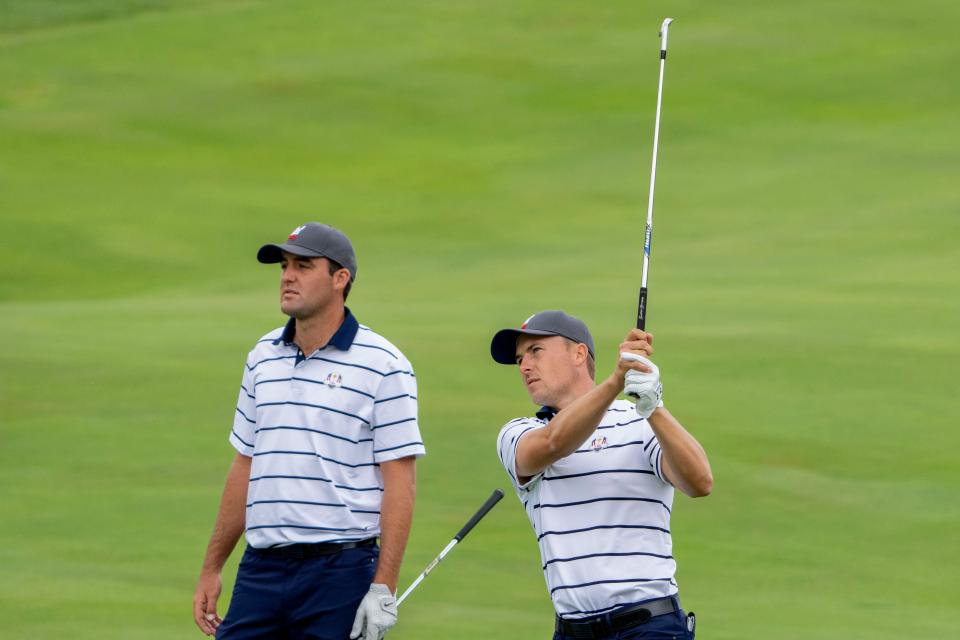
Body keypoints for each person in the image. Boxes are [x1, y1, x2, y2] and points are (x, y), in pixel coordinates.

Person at [193, 222, 425, 640]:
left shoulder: (385, 365)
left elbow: (400, 481)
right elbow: (245, 464)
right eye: (284, 266)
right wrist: (213, 566)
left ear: (340, 279)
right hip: (260, 568)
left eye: (303, 265)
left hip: (340, 573)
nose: (287, 276)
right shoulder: (263, 357)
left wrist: (384, 585)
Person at [491, 310, 712, 639]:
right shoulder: (519, 433)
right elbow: (553, 444)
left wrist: (654, 406)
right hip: (572, 630)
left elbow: (699, 482)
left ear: (579, 354)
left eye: (536, 351)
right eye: (520, 358)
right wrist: (614, 383)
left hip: (649, 626)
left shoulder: (638, 421)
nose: (524, 366)